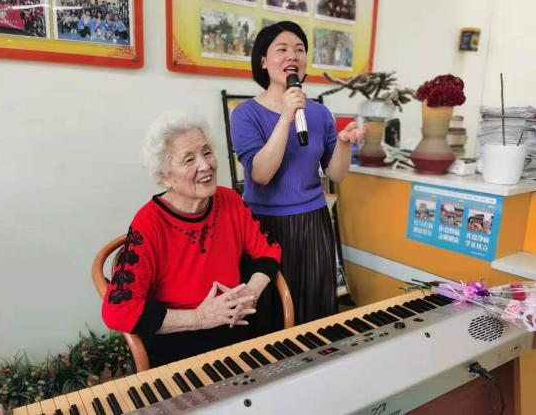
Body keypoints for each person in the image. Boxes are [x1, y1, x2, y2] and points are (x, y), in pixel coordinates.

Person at [102, 114, 281, 367]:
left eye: (207, 153)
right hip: (179, 342)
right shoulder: (149, 223)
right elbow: (118, 310)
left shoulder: (229, 201)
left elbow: (268, 252)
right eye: (189, 159)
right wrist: (199, 317)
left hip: (236, 327)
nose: (205, 165)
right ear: (165, 176)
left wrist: (251, 292)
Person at [230, 21, 364, 331]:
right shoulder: (245, 114)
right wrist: (286, 116)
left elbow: (336, 174)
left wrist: (343, 143)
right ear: (263, 61)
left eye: (300, 50)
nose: (293, 55)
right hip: (263, 227)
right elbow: (261, 174)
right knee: (269, 313)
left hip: (313, 223)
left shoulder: (318, 113)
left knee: (314, 310)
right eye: (282, 49)